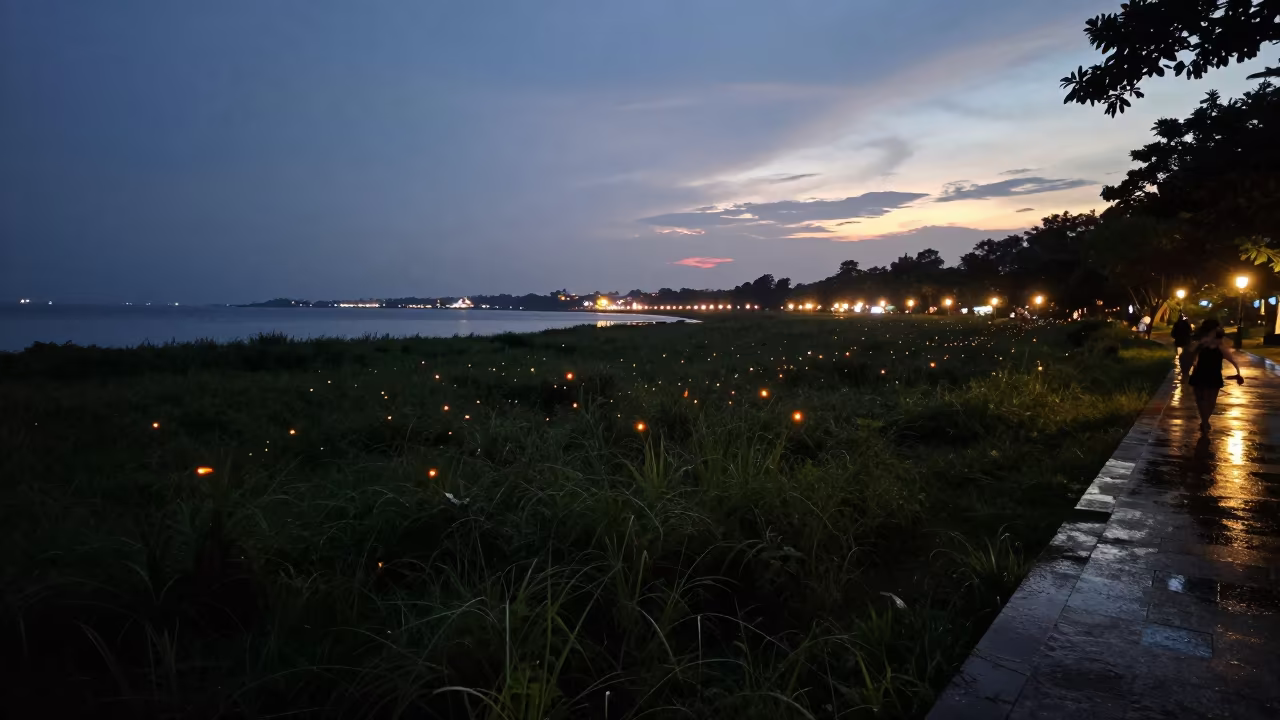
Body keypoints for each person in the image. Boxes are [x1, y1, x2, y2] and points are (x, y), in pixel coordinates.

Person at [1185, 318, 1244, 434]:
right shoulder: (1200, 343)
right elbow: (1191, 355)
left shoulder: (1220, 346)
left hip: (1213, 375)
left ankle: (1205, 421)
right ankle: (1205, 421)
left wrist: (1238, 373)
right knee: (1200, 399)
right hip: (1199, 374)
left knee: (1211, 400)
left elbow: (1232, 360)